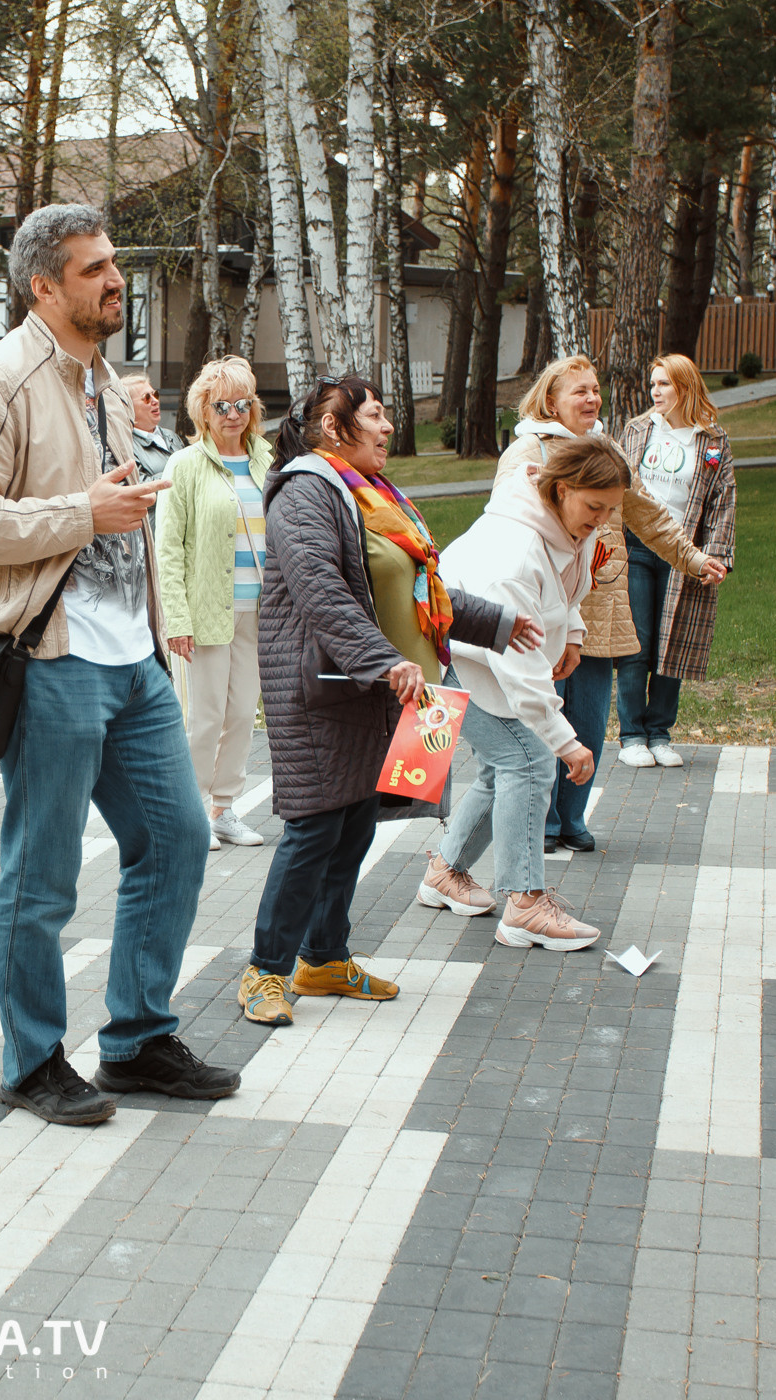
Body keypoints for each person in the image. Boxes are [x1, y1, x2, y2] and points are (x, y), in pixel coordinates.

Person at [0, 203, 236, 1126]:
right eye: (95, 269)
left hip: (130, 658)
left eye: (115, 265)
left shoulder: (102, 377)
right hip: (50, 657)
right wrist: (79, 514)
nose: (115, 281)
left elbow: (118, 507)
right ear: (44, 286)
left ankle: (137, 1041)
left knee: (177, 838)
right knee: (43, 873)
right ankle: (31, 1062)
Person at [242, 377, 540, 1025]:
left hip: (376, 690)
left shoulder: (373, 495)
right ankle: (265, 971)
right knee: (313, 828)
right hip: (323, 689)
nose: (386, 428)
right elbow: (323, 591)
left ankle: (323, 959)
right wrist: (382, 661)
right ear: (333, 428)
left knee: (350, 825)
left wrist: (494, 622)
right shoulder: (304, 494)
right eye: (374, 416)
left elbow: (411, 588)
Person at [495, 355, 726, 851]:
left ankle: (571, 820)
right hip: (543, 615)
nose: (592, 398)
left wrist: (692, 558)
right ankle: (543, 823)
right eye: (580, 391)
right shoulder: (528, 450)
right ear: (551, 399)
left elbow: (649, 512)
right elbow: (504, 528)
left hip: (598, 616)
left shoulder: (605, 448)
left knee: (591, 722)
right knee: (544, 720)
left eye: (595, 389)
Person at [418, 436, 633, 952]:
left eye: (611, 509)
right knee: (531, 760)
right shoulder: (514, 553)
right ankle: (526, 904)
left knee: (505, 766)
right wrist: (565, 740)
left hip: (479, 660)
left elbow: (565, 588)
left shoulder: (558, 522)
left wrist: (573, 634)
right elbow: (518, 668)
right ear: (561, 490)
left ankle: (445, 872)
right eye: (593, 506)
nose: (601, 520)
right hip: (452, 663)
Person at [157, 356, 272, 851]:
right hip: (205, 613)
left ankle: (224, 808)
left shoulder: (269, 459)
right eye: (223, 405)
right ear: (204, 410)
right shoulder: (185, 465)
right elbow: (168, 549)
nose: (234, 414)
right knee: (203, 717)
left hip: (260, 612)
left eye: (242, 403)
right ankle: (191, 810)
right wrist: (176, 619)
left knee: (244, 712)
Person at [615, 354, 737, 768]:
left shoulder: (713, 441)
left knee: (674, 642)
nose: (655, 392)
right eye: (653, 384)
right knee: (637, 641)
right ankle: (631, 735)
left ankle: (659, 734)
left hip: (685, 552)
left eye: (664, 384)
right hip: (634, 547)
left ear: (684, 387)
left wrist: (715, 557)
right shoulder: (636, 430)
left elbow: (724, 503)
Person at [122, 373, 183, 487]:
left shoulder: (171, 436)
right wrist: (181, 473)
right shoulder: (126, 445)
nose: (155, 401)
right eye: (147, 398)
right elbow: (138, 487)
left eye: (155, 394)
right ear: (128, 406)